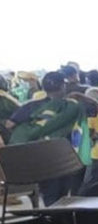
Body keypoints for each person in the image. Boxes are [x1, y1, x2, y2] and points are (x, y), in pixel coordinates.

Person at [5, 71, 85, 203]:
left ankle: (52, 220)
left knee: (50, 195)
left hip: (41, 157)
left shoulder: (31, 105)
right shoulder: (71, 105)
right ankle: (62, 221)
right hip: (65, 157)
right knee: (63, 195)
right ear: (62, 86)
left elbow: (9, 124)